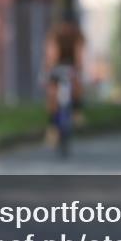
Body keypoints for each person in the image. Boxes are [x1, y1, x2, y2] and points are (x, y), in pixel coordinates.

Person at [43, 11, 85, 147]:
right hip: (57, 66)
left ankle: (77, 109)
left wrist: (78, 69)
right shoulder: (55, 35)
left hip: (71, 66)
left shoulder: (77, 35)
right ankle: (52, 125)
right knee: (52, 94)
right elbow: (51, 54)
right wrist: (51, 69)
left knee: (77, 84)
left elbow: (79, 54)